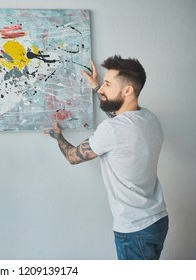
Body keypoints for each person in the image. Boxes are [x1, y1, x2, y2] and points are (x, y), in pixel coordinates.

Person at [45, 55, 169, 260]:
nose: (102, 88)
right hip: (157, 220)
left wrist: (58, 137)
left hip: (134, 229)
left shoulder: (112, 130)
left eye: (108, 84)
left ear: (127, 90)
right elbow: (120, 121)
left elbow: (72, 157)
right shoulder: (148, 118)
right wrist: (97, 88)